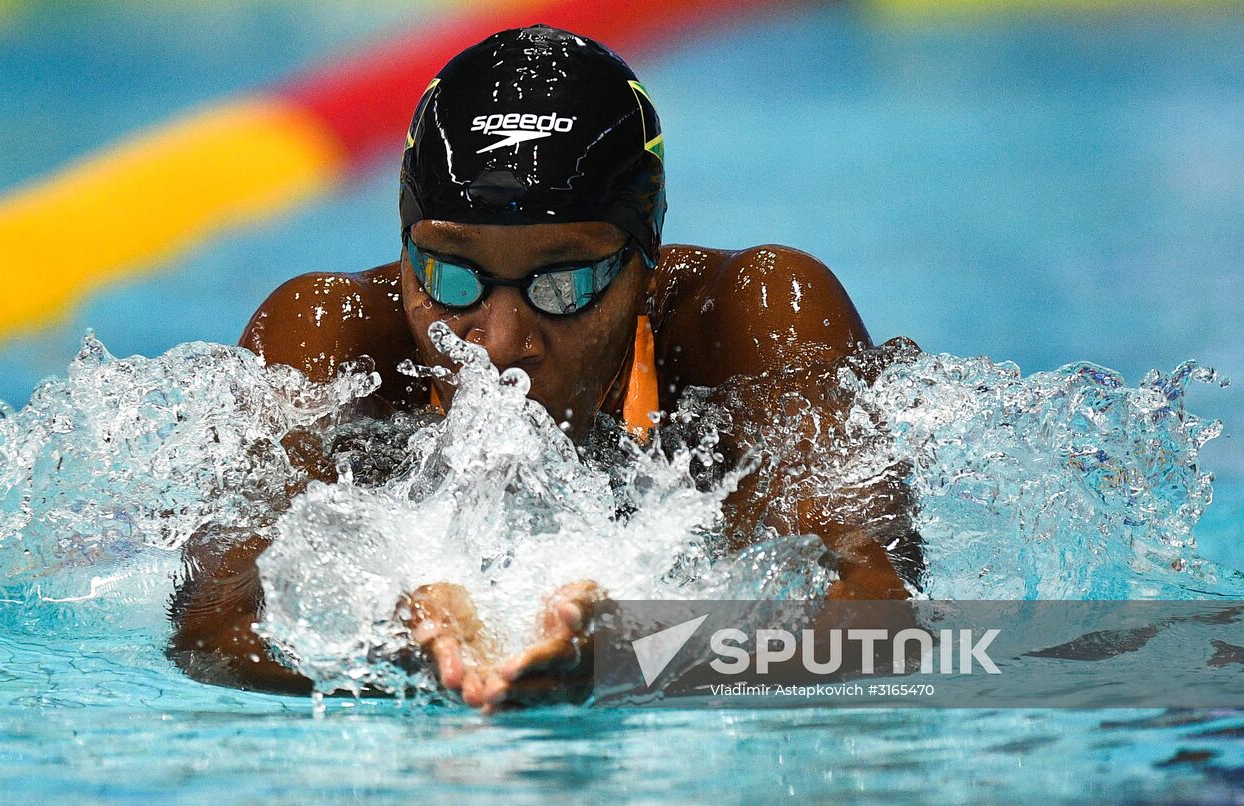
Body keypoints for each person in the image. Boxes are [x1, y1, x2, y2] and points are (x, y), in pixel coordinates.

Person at [169, 24, 920, 711]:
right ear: (405, 254)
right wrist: (392, 659)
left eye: (563, 285)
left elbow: (882, 614)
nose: (498, 343)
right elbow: (209, 628)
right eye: (453, 277)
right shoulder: (332, 338)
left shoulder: (755, 318)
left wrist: (641, 651)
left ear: (646, 262)